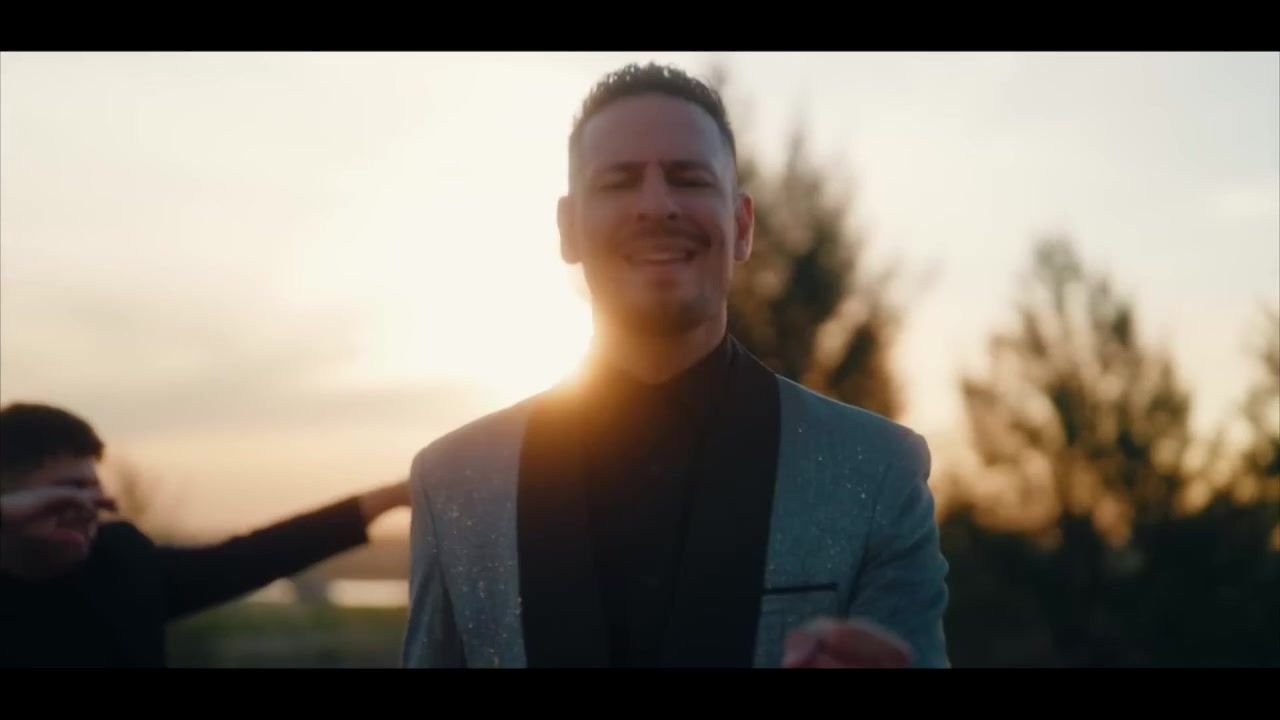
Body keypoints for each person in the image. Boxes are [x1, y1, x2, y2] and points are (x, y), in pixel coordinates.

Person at [401, 62, 949, 669]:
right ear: (568, 229)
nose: (657, 205)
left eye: (689, 179)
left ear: (742, 226)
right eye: (619, 182)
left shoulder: (878, 470)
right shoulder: (452, 483)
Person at [0, 401, 409, 668]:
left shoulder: (121, 562)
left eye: (94, 490)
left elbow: (254, 557)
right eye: (69, 490)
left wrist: (390, 497)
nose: (90, 506)